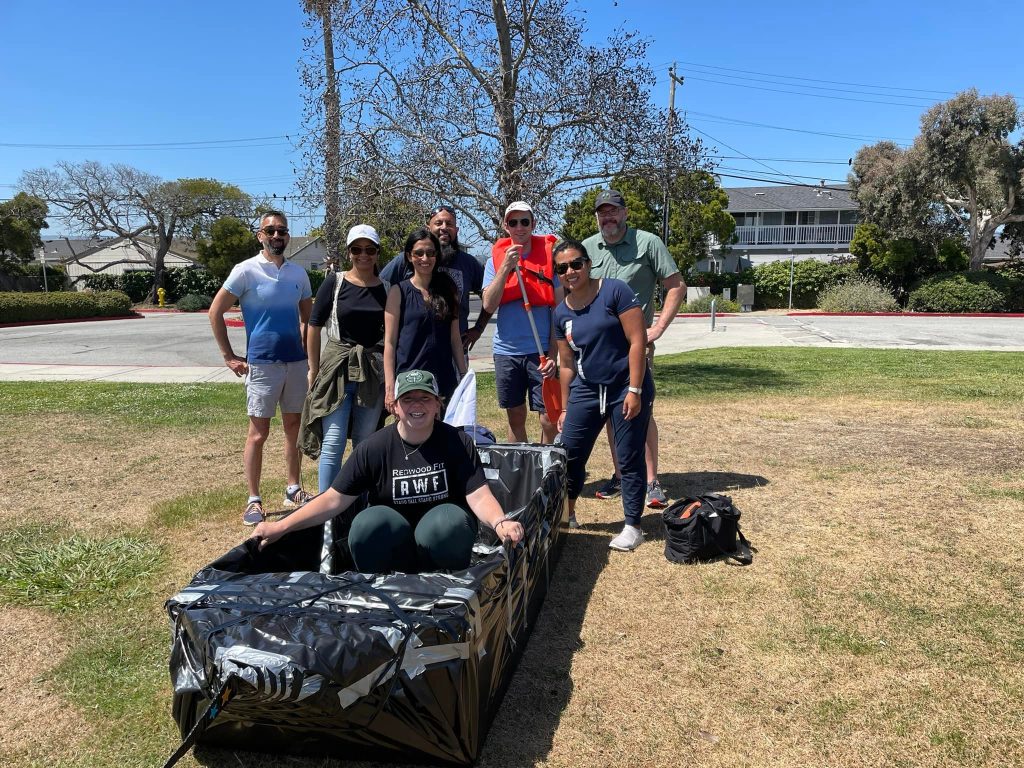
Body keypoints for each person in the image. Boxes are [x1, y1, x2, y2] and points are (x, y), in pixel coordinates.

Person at [253, 370, 524, 573]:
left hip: (442, 541)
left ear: (438, 404)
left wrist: (500, 522)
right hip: (394, 541)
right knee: (367, 524)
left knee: (448, 521)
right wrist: (280, 526)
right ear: (394, 407)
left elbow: (478, 495)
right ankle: (382, 591)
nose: (417, 406)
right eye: (408, 399)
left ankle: (444, 588)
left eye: (425, 398)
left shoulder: (457, 442)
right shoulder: (374, 447)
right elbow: (333, 499)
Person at [209, 210, 314, 526]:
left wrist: (310, 358)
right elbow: (215, 312)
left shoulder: (298, 274)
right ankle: (253, 499)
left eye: (282, 231)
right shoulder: (245, 271)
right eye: (270, 231)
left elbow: (309, 319)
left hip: (295, 363)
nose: (277, 236)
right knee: (258, 433)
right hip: (262, 364)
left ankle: (293, 488)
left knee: (294, 428)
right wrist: (229, 356)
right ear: (260, 236)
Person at [582, 189, 685, 509]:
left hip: (635, 345)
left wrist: (658, 328)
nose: (608, 217)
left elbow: (676, 286)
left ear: (625, 213)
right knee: (613, 415)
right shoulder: (587, 248)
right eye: (602, 212)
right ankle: (623, 475)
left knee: (639, 410)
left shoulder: (648, 243)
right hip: (598, 348)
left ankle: (651, 480)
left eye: (613, 211)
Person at [552, 240, 654, 551]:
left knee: (628, 455)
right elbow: (567, 363)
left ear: (587, 263)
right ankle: (566, 516)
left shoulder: (615, 291)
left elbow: (638, 342)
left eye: (576, 264)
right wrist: (566, 408)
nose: (570, 271)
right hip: (586, 388)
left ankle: (633, 525)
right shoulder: (560, 313)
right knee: (569, 453)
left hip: (626, 384)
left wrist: (634, 390)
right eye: (562, 268)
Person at [299, 224, 387, 493]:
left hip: (371, 371)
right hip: (336, 369)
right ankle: (327, 511)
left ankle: (360, 504)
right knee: (333, 442)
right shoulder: (334, 282)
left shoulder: (388, 287)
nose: (363, 255)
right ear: (349, 252)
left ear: (377, 253)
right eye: (357, 249)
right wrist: (313, 368)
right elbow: (314, 325)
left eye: (369, 249)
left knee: (364, 441)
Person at [481, 201, 561, 443]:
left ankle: (547, 473)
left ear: (533, 224)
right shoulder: (494, 261)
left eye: (524, 221)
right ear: (506, 226)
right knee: (515, 416)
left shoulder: (550, 258)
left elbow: (558, 311)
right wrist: (506, 267)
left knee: (548, 417)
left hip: (540, 352)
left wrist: (554, 355)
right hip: (507, 352)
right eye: (513, 222)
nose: (519, 227)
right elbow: (488, 304)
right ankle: (521, 472)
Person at [380, 205, 491, 350]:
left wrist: (479, 328)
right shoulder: (407, 260)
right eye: (438, 223)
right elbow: (379, 287)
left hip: (455, 350)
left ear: (456, 230)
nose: (444, 228)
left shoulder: (469, 263)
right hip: (413, 351)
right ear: (428, 228)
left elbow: (490, 296)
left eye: (449, 224)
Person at [384, 229, 468, 410]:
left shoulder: (448, 288)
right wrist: (390, 386)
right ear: (409, 256)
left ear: (436, 256)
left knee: (444, 433)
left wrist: (463, 375)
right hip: (409, 379)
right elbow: (390, 343)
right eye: (419, 253)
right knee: (412, 433)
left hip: (443, 378)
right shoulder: (398, 292)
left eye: (430, 253)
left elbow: (455, 338)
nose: (425, 258)